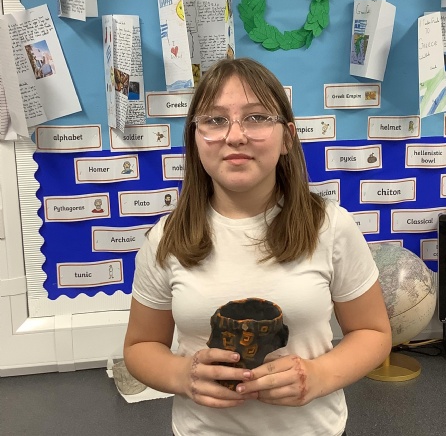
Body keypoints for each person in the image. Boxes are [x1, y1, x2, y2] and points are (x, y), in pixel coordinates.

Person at [124, 58, 392, 436]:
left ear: (287, 138)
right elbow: (140, 346)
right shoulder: (167, 238)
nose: (235, 136)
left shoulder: (330, 227)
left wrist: (317, 375)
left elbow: (374, 333)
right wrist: (182, 375)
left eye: (256, 117)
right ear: (195, 139)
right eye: (215, 120)